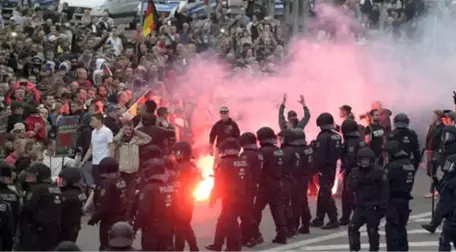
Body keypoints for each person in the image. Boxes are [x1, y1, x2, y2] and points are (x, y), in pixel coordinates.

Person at [209, 138, 248, 252]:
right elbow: (249, 179)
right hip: (242, 196)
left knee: (231, 223)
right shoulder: (243, 160)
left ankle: (234, 248)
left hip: (229, 197)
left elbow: (220, 181)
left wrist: (214, 194)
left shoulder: (225, 163)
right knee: (225, 220)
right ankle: (219, 245)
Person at [347, 147, 389, 252]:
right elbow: (349, 189)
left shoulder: (378, 172)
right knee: (352, 227)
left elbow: (385, 190)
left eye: (366, 160)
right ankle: (354, 248)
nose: (364, 162)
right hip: (360, 206)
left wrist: (383, 207)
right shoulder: (355, 172)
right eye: (362, 160)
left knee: (372, 231)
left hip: (373, 207)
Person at [251, 127, 287, 244]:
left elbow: (259, 169)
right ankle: (282, 234)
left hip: (265, 184)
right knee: (277, 209)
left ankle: (254, 234)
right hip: (278, 183)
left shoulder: (263, 152)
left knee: (256, 210)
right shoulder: (279, 150)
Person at [134, 156, 176, 251]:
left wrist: (135, 227)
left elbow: (143, 211)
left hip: (151, 232)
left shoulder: (149, 189)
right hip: (168, 231)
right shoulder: (170, 188)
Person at [88, 157, 128, 252]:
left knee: (107, 247)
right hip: (122, 219)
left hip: (109, 222)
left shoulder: (107, 184)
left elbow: (104, 206)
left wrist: (94, 219)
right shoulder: (121, 181)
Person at [20, 164, 62, 252]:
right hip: (54, 229)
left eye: (31, 175)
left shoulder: (36, 189)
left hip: (37, 229)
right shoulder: (56, 189)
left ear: (38, 174)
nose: (29, 177)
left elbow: (28, 207)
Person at [310, 112, 342, 229]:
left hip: (324, 168)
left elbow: (320, 156)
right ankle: (319, 218)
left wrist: (314, 169)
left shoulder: (323, 137)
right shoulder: (337, 135)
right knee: (323, 193)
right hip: (332, 167)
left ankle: (333, 219)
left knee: (325, 193)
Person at [383, 140, 416, 252]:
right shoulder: (409, 164)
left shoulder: (391, 167)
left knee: (392, 230)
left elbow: (384, 185)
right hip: (405, 201)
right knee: (402, 229)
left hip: (393, 201)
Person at [171, 141, 201, 252]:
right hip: (188, 201)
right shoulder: (191, 165)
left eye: (177, 152)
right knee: (185, 226)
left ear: (184, 153)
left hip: (182, 201)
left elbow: (179, 184)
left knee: (180, 229)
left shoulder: (183, 167)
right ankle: (194, 248)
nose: (175, 154)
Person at [339, 119, 365, 226]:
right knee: (356, 195)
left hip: (352, 171)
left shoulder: (351, 142)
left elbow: (350, 158)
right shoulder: (359, 139)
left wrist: (344, 167)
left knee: (347, 196)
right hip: (360, 170)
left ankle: (346, 217)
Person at [239, 132, 263, 246]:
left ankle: (255, 235)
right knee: (247, 212)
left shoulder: (246, 155)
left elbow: (242, 171)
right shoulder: (258, 153)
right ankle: (245, 236)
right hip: (256, 186)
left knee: (245, 213)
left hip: (247, 187)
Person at [80, 112, 114, 186]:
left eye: (93, 120)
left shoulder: (107, 131)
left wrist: (109, 162)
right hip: (95, 163)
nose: (91, 122)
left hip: (104, 163)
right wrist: (83, 161)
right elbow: (91, 148)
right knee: (96, 184)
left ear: (99, 120)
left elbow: (111, 147)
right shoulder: (93, 132)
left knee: (104, 184)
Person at [431, 154, 456, 252]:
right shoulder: (450, 181)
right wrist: (436, 181)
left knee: (444, 242)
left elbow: (443, 203)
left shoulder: (451, 182)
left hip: (452, 220)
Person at [278, 129, 300, 237]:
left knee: (285, 205)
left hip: (287, 180)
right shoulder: (295, 149)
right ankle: (293, 227)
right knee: (291, 204)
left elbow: (281, 166)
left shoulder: (286, 151)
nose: (279, 140)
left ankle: (289, 228)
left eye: (281, 138)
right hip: (295, 179)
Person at [290, 129, 313, 235]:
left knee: (296, 202)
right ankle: (306, 224)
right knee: (303, 201)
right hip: (306, 176)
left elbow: (296, 166)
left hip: (298, 177)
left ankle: (294, 225)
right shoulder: (308, 148)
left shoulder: (297, 151)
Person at [59, 168, 86, 242]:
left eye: (63, 179)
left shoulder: (66, 195)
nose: (61, 181)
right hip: (76, 224)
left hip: (65, 225)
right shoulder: (80, 192)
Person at [424, 110, 445, 198]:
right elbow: (428, 138)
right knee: (429, 172)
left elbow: (442, 140)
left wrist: (441, 150)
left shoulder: (443, 127)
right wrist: (426, 149)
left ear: (439, 116)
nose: (433, 116)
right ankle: (438, 188)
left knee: (434, 171)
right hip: (430, 151)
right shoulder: (432, 126)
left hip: (437, 151)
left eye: (434, 115)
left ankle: (432, 190)